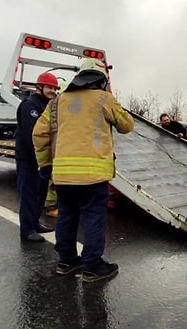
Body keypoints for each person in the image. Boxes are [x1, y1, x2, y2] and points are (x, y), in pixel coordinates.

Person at [33, 58, 134, 283]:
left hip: (63, 175)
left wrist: (45, 164)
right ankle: (93, 266)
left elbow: (39, 134)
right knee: (94, 218)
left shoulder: (57, 102)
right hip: (93, 175)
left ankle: (67, 262)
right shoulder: (104, 99)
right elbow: (127, 126)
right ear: (101, 80)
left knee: (67, 216)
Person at [15, 72, 58, 242]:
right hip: (29, 158)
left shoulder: (47, 106)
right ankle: (27, 230)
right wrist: (39, 158)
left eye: (54, 88)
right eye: (49, 87)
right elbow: (31, 135)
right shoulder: (29, 106)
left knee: (40, 193)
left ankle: (35, 223)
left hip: (42, 159)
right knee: (28, 194)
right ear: (39, 87)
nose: (52, 91)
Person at [44, 77, 69, 219]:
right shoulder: (57, 108)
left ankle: (53, 206)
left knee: (55, 182)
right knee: (53, 184)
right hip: (58, 151)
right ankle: (51, 207)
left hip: (57, 151)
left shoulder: (56, 107)